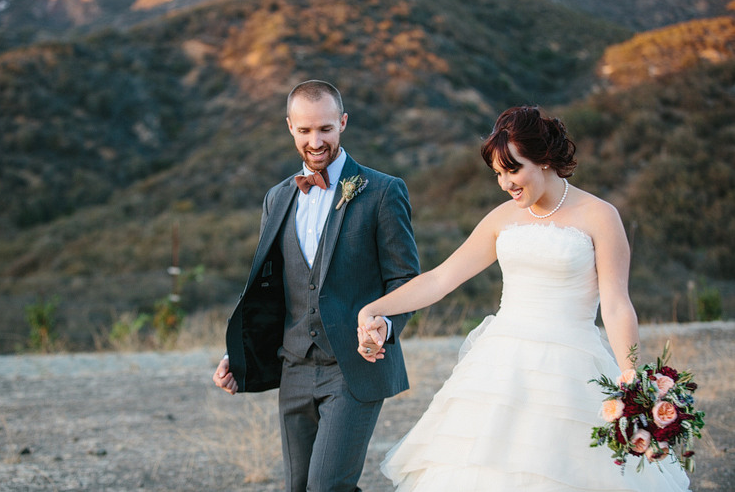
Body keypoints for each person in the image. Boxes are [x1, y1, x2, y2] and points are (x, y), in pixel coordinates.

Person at [356, 106, 691, 491]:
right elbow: (440, 279)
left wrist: (631, 374)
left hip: (570, 365)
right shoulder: (502, 219)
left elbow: (616, 304)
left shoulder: (600, 216)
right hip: (500, 364)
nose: (504, 184)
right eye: (498, 174)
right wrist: (375, 308)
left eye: (513, 170)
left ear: (544, 159)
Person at [213, 80, 420, 492]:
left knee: (327, 487)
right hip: (293, 368)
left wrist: (386, 324)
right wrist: (237, 353)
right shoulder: (277, 197)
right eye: (305, 130)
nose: (316, 140)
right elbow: (266, 287)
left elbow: (405, 278)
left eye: (325, 128)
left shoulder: (382, 191)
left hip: (354, 366)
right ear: (290, 127)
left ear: (342, 123)